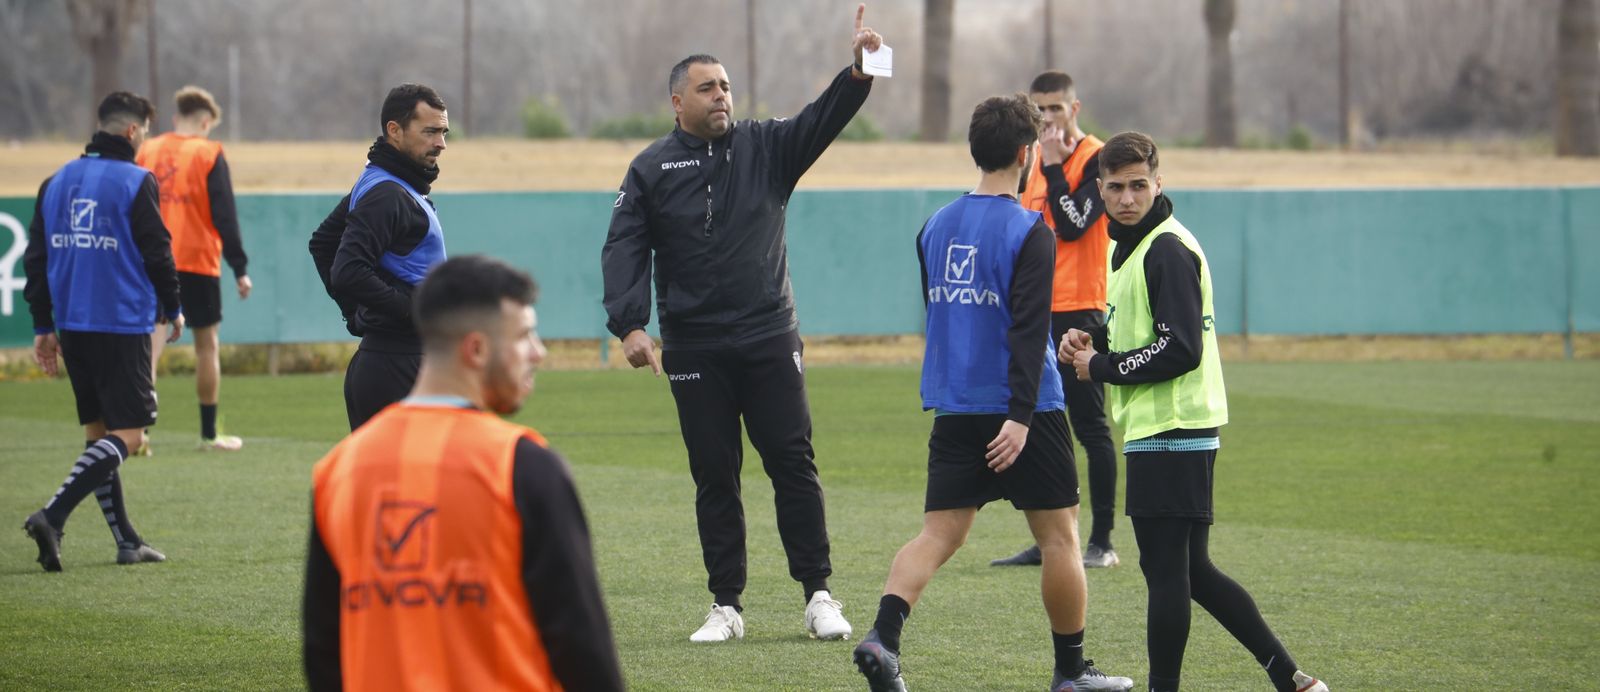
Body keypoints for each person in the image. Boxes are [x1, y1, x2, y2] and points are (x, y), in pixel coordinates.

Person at [600, 4, 883, 644]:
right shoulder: (649, 168)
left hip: (767, 335)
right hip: (694, 343)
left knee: (792, 462)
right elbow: (624, 245)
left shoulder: (767, 146)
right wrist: (630, 325)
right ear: (678, 102)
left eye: (726, 85)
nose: (722, 95)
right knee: (714, 474)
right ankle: (726, 606)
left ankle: (819, 594)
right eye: (708, 87)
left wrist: (859, 73)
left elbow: (822, 117)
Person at [851, 94, 1134, 692]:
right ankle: (1070, 671)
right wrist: (1021, 417)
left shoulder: (934, 226)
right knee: (1060, 538)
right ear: (1028, 155)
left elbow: (943, 312)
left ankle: (883, 637)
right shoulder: (1030, 229)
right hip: (1024, 413)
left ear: (975, 151)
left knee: (937, 534)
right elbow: (1031, 331)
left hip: (955, 408)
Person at [1060, 132, 1328, 692]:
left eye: (1139, 185)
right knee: (1192, 573)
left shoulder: (1165, 248)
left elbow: (1180, 347)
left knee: (1164, 573)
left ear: (1159, 183)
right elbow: (1140, 326)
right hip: (1171, 428)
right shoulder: (1126, 246)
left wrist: (1102, 369)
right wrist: (1093, 338)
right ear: (1101, 191)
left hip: (1173, 428)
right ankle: (1289, 676)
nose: (1128, 197)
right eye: (1116, 187)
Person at [301, 255, 624, 691]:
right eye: (525, 336)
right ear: (476, 349)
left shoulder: (338, 471)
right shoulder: (523, 466)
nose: (539, 353)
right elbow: (584, 652)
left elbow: (324, 655)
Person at [20, 91, 180, 571]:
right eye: (146, 132)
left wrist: (43, 325)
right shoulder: (135, 181)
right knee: (128, 437)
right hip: (121, 321)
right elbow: (157, 251)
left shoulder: (56, 181)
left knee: (99, 439)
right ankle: (52, 515)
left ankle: (127, 541)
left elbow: (37, 260)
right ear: (133, 131)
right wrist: (174, 307)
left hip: (72, 324)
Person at [993, 70, 1122, 569]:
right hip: (1036, 311)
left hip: (1081, 309)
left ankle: (1102, 542)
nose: (1046, 119)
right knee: (1043, 422)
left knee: (1089, 426)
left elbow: (1071, 223)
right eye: (1039, 109)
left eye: (1055, 108)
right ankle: (1050, 537)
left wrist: (1051, 166)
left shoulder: (1097, 158)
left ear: (1075, 108)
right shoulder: (1027, 167)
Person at [309, 83, 449, 430]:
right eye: (430, 131)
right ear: (394, 131)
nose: (441, 144)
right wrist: (408, 310)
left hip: (394, 360)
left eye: (444, 132)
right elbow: (348, 270)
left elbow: (323, 244)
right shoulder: (387, 194)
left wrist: (360, 315)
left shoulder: (381, 182)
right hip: (398, 366)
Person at [137, 85, 251, 451]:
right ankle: (208, 434)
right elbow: (224, 215)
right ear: (205, 122)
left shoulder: (146, 149)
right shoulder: (209, 152)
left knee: (150, 348)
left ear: (175, 119)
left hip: (149, 261)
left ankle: (138, 435)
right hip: (197, 261)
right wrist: (239, 266)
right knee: (206, 346)